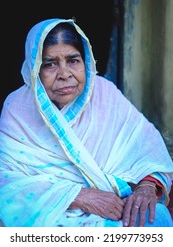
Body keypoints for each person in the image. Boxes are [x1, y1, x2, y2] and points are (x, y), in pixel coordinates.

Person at [0, 18, 173, 227]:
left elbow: (147, 152)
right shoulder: (17, 108)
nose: (64, 74)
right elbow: (7, 182)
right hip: (54, 215)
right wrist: (79, 196)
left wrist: (146, 188)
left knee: (157, 219)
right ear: (33, 69)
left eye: (73, 60)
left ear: (86, 61)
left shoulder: (105, 94)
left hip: (115, 212)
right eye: (50, 64)